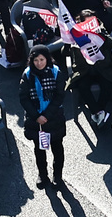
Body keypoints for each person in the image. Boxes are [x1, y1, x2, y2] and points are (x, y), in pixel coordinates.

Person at [18, 45, 67, 190]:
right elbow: (24, 98)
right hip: (36, 121)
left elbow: (59, 96)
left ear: (47, 59)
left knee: (57, 148)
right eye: (35, 60)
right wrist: (37, 116)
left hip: (54, 118)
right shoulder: (27, 75)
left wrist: (46, 115)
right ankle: (42, 174)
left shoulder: (56, 73)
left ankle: (57, 176)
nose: (39, 63)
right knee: (40, 150)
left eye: (42, 59)